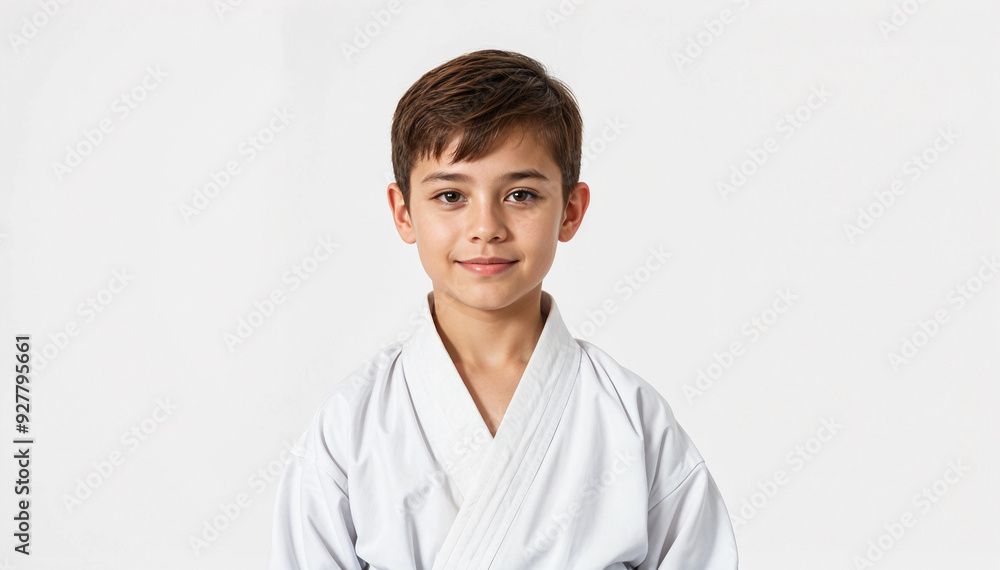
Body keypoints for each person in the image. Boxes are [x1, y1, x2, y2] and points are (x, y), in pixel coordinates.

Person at [267, 48, 738, 570]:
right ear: (404, 213)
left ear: (571, 210)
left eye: (520, 194)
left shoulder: (631, 418)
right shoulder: (352, 424)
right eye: (450, 196)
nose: (486, 226)